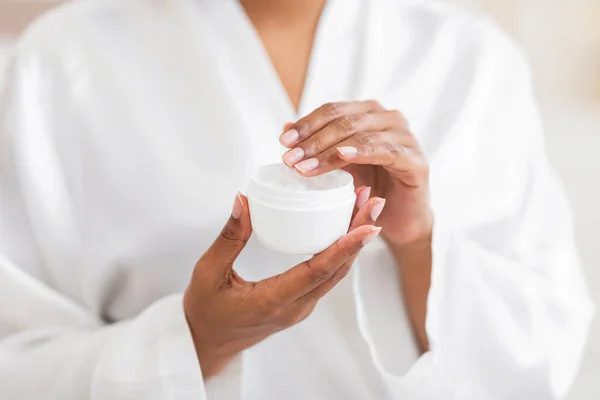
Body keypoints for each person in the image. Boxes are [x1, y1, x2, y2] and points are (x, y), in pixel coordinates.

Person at [0, 0, 593, 398]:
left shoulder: (471, 59)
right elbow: (16, 361)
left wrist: (418, 243)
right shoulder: (58, 64)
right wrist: (196, 340)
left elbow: (543, 352)